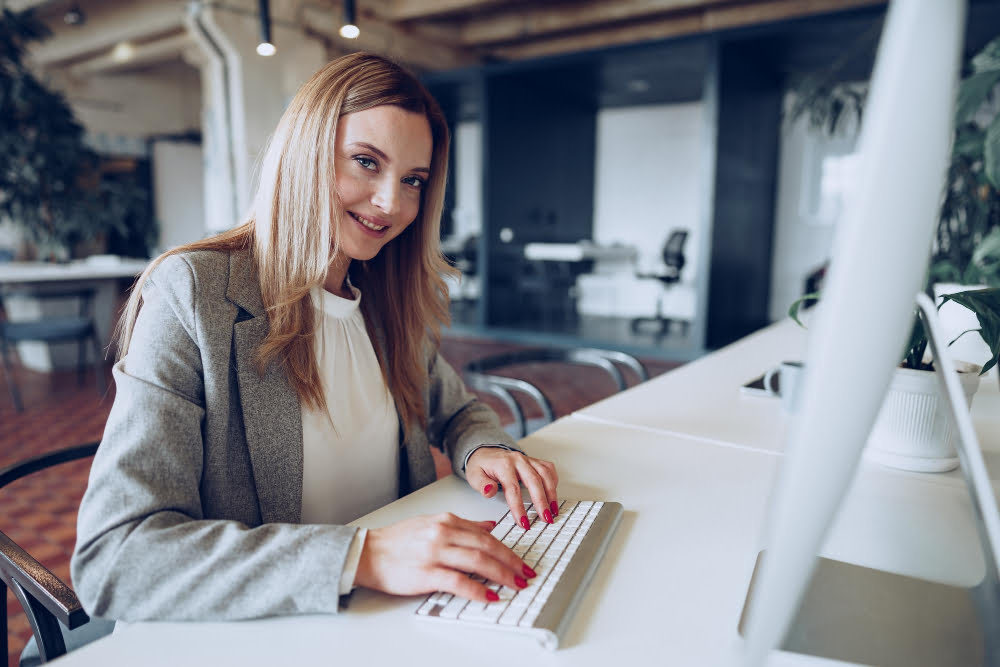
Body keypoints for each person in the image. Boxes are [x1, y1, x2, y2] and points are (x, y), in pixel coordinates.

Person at [71, 52, 560, 622]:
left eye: (413, 180)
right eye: (365, 162)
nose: (392, 203)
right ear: (305, 153)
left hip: (398, 616)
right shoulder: (193, 293)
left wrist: (485, 448)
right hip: (284, 630)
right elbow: (118, 558)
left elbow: (455, 410)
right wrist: (363, 556)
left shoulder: (383, 296)